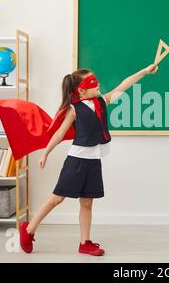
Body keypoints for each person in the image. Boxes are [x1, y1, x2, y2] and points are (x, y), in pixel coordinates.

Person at [18, 64, 159, 256]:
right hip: (76, 161)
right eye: (93, 82)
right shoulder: (74, 109)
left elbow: (123, 86)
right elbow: (59, 133)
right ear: (82, 90)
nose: (98, 83)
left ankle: (85, 242)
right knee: (57, 198)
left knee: (87, 204)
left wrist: (144, 71)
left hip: (93, 161)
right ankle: (28, 229)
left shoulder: (102, 101)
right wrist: (46, 153)